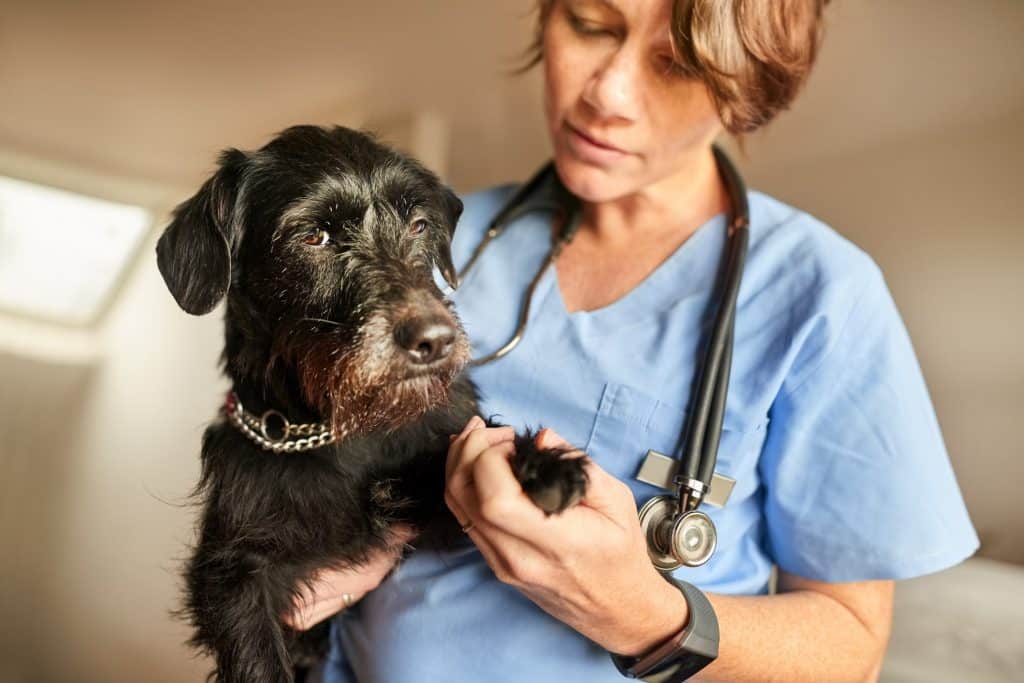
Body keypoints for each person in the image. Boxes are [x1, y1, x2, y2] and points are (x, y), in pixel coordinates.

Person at [286, 0, 979, 680]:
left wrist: (645, 615)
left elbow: (853, 648)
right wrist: (364, 529)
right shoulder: (432, 237)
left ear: (748, 86)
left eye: (675, 62)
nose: (607, 92)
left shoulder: (821, 295)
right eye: (590, 24)